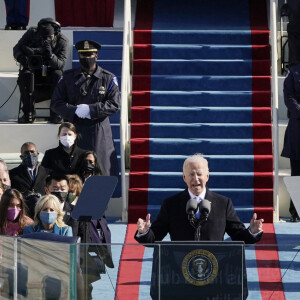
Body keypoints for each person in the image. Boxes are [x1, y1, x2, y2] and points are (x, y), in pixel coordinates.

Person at [135, 154, 264, 243]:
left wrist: (252, 232)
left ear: (207, 176)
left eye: (199, 174)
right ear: (184, 178)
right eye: (191, 174)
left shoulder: (223, 204)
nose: (195, 179)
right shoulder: (171, 204)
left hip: (215, 269)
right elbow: (155, 236)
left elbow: (238, 237)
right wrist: (145, 232)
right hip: (180, 269)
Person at [51, 39, 120, 176]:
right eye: (83, 55)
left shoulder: (108, 78)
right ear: (79, 56)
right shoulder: (67, 78)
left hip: (98, 133)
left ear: (96, 56)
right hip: (75, 131)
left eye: (90, 55)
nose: (87, 58)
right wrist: (73, 110)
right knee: (74, 175)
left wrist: (91, 110)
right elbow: (56, 103)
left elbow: (114, 104)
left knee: (100, 174)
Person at [13, 17, 68, 124]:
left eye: (50, 37)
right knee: (26, 75)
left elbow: (61, 64)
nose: (46, 39)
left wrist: (51, 55)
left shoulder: (62, 41)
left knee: (59, 74)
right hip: (34, 69)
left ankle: (56, 112)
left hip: (51, 71)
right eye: (43, 37)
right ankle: (28, 112)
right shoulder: (31, 33)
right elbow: (16, 48)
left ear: (55, 33)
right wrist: (21, 57)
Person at [9, 142, 50, 218]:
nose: (30, 155)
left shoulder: (47, 173)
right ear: (21, 157)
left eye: (32, 152)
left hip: (43, 213)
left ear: (37, 154)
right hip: (23, 214)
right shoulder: (12, 174)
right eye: (26, 152)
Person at [281, 63, 300, 222]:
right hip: (298, 130)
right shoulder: (294, 72)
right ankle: (296, 211)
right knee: (297, 174)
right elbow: (288, 96)